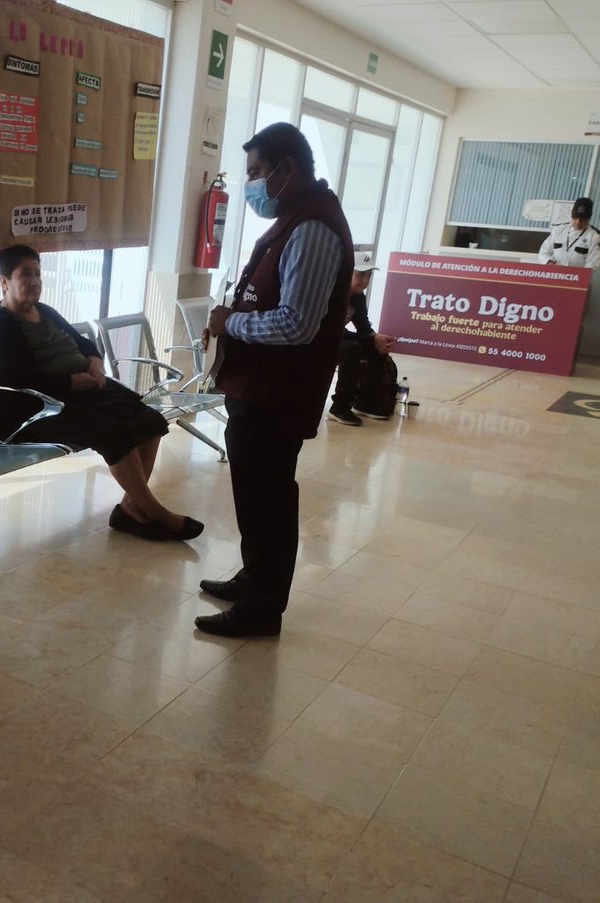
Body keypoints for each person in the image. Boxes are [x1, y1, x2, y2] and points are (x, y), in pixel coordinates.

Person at [196, 122, 354, 638]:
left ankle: (262, 608)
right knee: (256, 494)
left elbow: (296, 323)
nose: (252, 186)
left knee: (269, 498)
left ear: (287, 170)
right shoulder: (295, 218)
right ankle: (253, 578)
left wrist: (229, 323)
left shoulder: (313, 228)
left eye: (257, 173)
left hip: (277, 395)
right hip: (258, 390)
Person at [0, 244, 202, 541]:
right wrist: (71, 383)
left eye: (38, 273)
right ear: (4, 282)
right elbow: (15, 379)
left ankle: (131, 509)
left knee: (149, 420)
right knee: (111, 432)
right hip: (35, 412)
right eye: (25, 275)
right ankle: (155, 511)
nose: (34, 281)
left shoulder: (45, 312)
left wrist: (95, 363)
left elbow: (83, 344)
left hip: (79, 395)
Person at [327, 251, 397, 426]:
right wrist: (371, 339)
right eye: (360, 275)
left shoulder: (358, 297)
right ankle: (340, 407)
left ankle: (367, 403)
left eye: (368, 276)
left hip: (336, 339)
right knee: (352, 349)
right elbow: (333, 330)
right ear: (347, 272)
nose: (365, 281)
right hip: (318, 343)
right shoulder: (333, 292)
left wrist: (377, 339)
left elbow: (363, 326)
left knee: (375, 349)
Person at [538, 197, 600, 268]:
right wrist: (549, 262)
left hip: (577, 276)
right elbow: (543, 252)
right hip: (554, 274)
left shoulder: (594, 236)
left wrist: (579, 275)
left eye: (582, 220)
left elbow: (592, 263)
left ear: (588, 219)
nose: (577, 222)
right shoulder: (558, 230)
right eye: (575, 218)